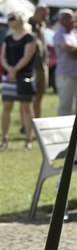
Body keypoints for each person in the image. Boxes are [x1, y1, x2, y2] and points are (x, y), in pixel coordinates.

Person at [0, 12, 36, 151]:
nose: (9, 21)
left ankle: (28, 139)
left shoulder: (29, 38)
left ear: (20, 20)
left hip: (24, 77)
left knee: (26, 108)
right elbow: (3, 56)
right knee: (6, 107)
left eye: (12, 19)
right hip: (9, 77)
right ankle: (4, 139)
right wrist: (9, 70)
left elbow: (27, 57)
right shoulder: (8, 38)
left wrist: (15, 70)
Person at [53, 8, 77, 116]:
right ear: (62, 20)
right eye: (70, 17)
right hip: (66, 75)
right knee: (66, 107)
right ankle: (63, 131)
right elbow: (69, 50)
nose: (74, 19)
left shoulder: (76, 32)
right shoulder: (60, 34)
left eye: (74, 16)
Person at [28, 5, 49, 119]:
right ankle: (27, 123)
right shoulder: (28, 24)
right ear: (37, 12)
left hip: (42, 65)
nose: (46, 16)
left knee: (40, 94)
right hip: (32, 65)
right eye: (44, 13)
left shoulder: (42, 25)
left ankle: (36, 121)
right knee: (30, 97)